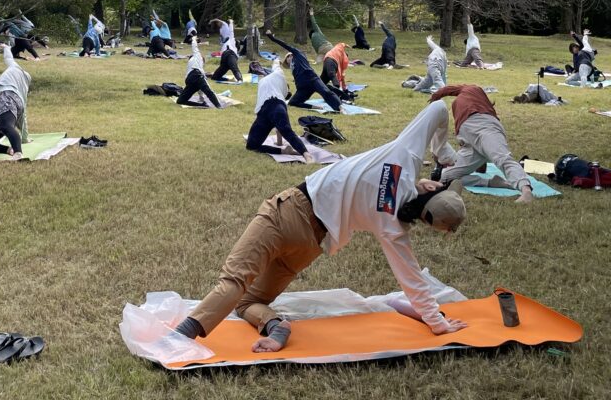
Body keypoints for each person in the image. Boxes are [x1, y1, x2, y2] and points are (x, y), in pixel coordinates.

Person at [173, 101, 469, 351]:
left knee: (234, 281)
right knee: (251, 300)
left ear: (433, 187)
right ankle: (273, 326)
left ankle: (180, 336)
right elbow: (411, 278)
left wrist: (442, 151)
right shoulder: (392, 225)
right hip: (311, 245)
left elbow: (440, 107)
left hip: (289, 213)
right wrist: (437, 323)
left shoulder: (404, 154)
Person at [430, 84, 533, 204]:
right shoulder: (465, 97)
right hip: (469, 141)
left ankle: (526, 191)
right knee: (445, 177)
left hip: (484, 127)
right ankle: (492, 182)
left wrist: (436, 96)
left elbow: (449, 89)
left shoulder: (472, 89)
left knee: (502, 158)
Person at [246, 58, 314, 162]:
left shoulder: (274, 76)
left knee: (287, 132)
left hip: (267, 110)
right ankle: (287, 152)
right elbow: (276, 64)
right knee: (251, 145)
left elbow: (275, 62)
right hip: (269, 110)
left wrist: (279, 60)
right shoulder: (279, 74)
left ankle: (306, 155)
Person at [265, 29, 342, 111]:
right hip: (303, 87)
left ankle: (339, 107)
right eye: (287, 57)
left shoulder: (297, 54)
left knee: (326, 93)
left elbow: (285, 45)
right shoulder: (292, 68)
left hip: (312, 79)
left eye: (289, 55)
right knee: (293, 102)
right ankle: (315, 107)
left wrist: (272, 38)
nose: (289, 57)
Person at [177, 36, 222, 108]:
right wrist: (194, 39)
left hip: (190, 80)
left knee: (180, 101)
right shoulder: (197, 56)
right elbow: (194, 47)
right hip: (196, 76)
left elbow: (199, 84)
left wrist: (201, 97)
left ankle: (202, 105)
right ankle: (218, 105)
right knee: (208, 92)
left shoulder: (191, 64)